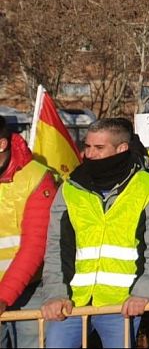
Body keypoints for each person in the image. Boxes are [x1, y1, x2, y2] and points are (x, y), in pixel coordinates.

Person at [41, 118, 149, 348]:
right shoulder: (69, 188)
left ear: (121, 148)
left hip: (122, 305)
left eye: (99, 148)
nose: (90, 154)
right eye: (87, 146)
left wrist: (144, 292)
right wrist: (55, 293)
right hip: (70, 302)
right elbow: (56, 247)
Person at [0, 117, 57, 348]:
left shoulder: (37, 177)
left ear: (2, 144)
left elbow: (36, 245)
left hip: (31, 290)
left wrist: (4, 296)